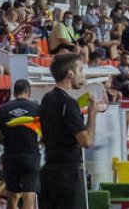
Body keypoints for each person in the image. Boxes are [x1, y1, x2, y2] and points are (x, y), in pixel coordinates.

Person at [37, 53, 96, 209]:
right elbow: (87, 141)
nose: (82, 75)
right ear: (70, 73)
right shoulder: (68, 104)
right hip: (67, 174)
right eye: (80, 70)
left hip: (49, 170)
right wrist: (92, 113)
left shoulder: (47, 99)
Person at [0, 79, 41, 209]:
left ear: (14, 92)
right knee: (29, 196)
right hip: (30, 155)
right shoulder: (36, 108)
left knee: (12, 196)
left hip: (11, 156)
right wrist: (39, 143)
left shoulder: (3, 109)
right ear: (29, 92)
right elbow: (46, 132)